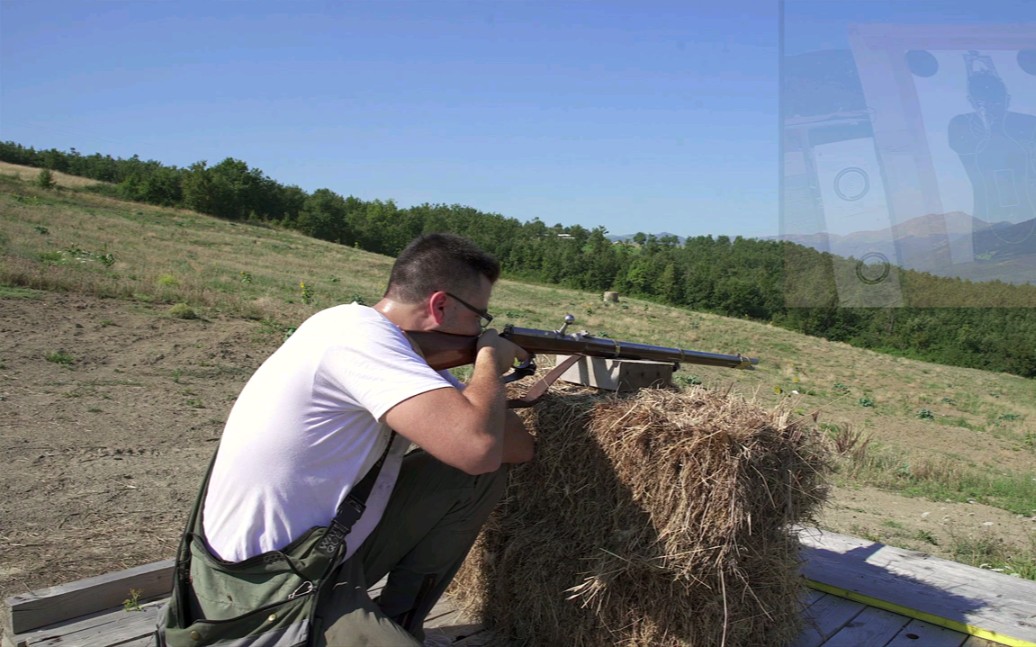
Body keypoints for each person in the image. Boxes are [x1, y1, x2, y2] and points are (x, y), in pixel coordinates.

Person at [200, 232, 536, 645]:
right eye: (480, 318)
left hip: (325, 554)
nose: (484, 330)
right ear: (440, 305)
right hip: (267, 585)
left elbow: (515, 448)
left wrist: (477, 383)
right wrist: (488, 362)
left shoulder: (383, 342)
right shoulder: (357, 337)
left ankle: (399, 625)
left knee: (470, 479)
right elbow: (479, 449)